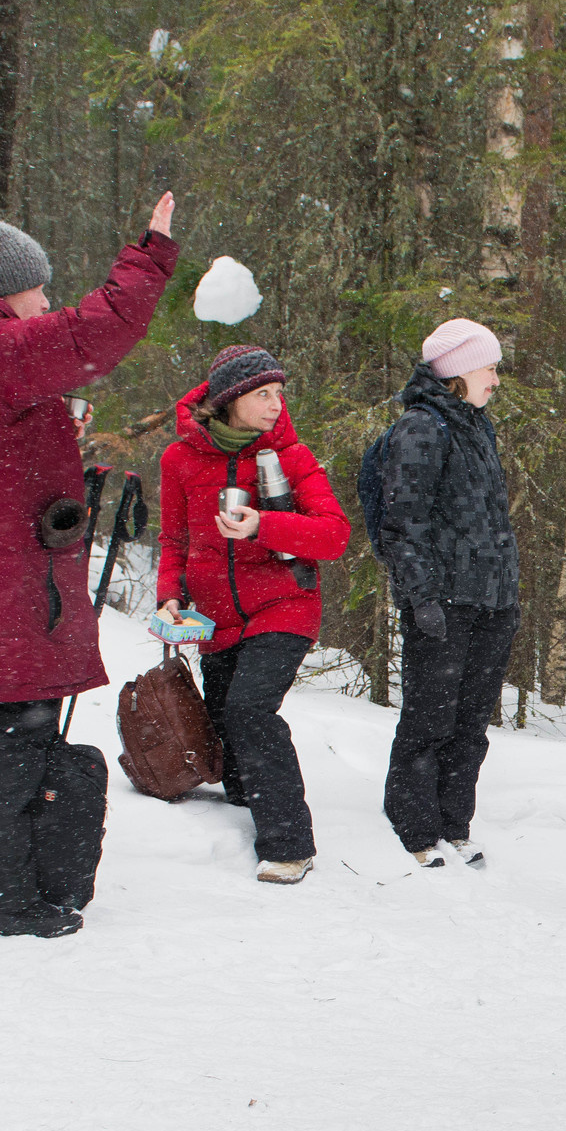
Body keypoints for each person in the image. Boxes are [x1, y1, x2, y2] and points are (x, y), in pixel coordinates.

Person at [0, 197, 181, 937]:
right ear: (1, 287)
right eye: (39, 287)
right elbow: (101, 331)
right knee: (8, 744)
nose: (48, 301)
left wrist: (54, 431)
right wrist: (149, 255)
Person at [155, 346, 351, 884]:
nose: (274, 405)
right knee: (226, 727)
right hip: (215, 619)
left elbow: (334, 535)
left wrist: (262, 525)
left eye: (278, 394)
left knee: (249, 711)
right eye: (262, 394)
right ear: (229, 398)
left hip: (284, 604)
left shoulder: (292, 456)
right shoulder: (180, 460)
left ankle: (289, 844)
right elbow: (173, 538)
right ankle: (239, 803)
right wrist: (170, 594)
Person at [372, 318, 520, 869]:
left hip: (493, 602)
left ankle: (455, 824)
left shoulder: (478, 426)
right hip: (443, 603)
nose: (497, 380)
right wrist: (422, 598)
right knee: (430, 720)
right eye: (490, 367)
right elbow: (401, 524)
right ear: (459, 371)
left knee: (471, 723)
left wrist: (507, 597)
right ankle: (414, 827)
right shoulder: (422, 428)